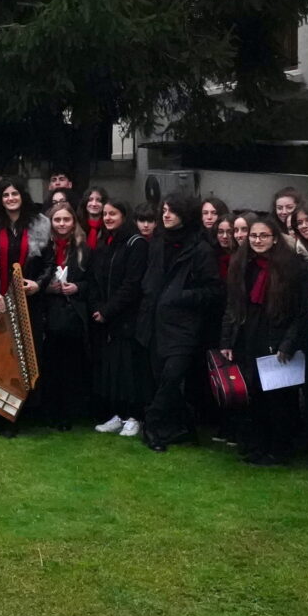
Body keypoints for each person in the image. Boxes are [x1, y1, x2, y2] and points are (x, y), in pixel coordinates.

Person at [218, 215, 308, 465]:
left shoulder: (292, 268)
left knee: (279, 398)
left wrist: (288, 343)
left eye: (264, 236)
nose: (258, 240)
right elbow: (233, 305)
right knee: (255, 395)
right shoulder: (242, 264)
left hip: (277, 337)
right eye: (254, 236)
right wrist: (226, 341)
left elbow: (301, 312)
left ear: (275, 239)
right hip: (249, 335)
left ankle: (279, 448)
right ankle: (258, 444)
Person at [137, 193, 224, 454]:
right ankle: (185, 427)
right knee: (162, 377)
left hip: (184, 325)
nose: (166, 215)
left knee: (172, 377)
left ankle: (151, 424)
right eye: (164, 210)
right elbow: (150, 279)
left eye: (172, 211)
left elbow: (214, 290)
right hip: (155, 321)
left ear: (185, 214)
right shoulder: (158, 242)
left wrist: (181, 296)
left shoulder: (200, 249)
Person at [0, 177, 52, 426]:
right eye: (6, 195)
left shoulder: (39, 224)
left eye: (15, 194)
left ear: (22, 196)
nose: (11, 198)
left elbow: (49, 263)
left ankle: (22, 414)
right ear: (0, 199)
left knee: (23, 359)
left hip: (27, 304)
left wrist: (38, 284)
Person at [89, 198, 150, 437]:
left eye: (113, 214)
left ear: (124, 216)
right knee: (113, 370)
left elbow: (132, 284)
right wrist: (98, 308)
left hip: (128, 319)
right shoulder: (106, 243)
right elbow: (96, 279)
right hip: (108, 320)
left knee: (130, 371)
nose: (107, 218)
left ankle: (134, 417)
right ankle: (119, 414)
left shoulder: (136, 244)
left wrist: (108, 310)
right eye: (105, 214)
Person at [32, 201, 94, 431]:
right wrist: (46, 288)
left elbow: (93, 281)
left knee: (70, 366)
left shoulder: (83, 249)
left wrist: (77, 287)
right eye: (57, 220)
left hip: (73, 316)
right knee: (48, 365)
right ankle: (47, 411)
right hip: (46, 313)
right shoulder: (41, 246)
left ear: (74, 222)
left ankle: (67, 413)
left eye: (66, 219)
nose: (61, 224)